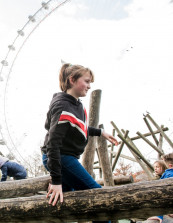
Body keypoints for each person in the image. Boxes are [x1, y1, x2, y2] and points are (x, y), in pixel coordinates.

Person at [43, 63, 118, 210]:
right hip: (60, 157)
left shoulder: (76, 105)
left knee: (68, 203)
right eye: (87, 81)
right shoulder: (63, 106)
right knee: (98, 195)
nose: (89, 86)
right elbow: (53, 144)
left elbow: (79, 127)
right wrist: (57, 181)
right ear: (72, 80)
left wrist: (100, 132)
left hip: (64, 158)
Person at [147, 153, 173, 223]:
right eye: (154, 167)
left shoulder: (168, 175)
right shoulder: (168, 175)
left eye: (157, 167)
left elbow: (161, 197)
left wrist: (159, 215)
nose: (155, 169)